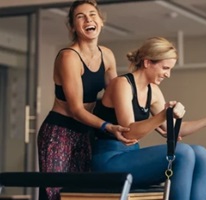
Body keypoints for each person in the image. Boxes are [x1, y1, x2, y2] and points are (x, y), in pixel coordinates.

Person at [91, 36, 206, 200]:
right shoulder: (122, 84)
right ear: (147, 63)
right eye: (165, 68)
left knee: (201, 154)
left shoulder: (153, 90)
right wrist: (163, 115)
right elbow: (129, 133)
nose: (168, 74)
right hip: (110, 160)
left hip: (131, 158)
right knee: (183, 152)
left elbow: (174, 129)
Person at [37, 1, 135, 200]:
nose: (88, 19)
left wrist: (154, 114)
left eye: (92, 14)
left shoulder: (106, 55)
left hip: (87, 131)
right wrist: (108, 127)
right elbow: (76, 109)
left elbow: (117, 94)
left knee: (81, 194)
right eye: (80, 16)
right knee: (55, 194)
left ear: (101, 21)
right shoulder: (69, 57)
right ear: (73, 27)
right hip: (60, 131)